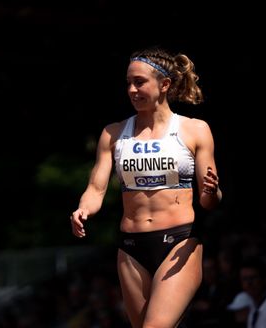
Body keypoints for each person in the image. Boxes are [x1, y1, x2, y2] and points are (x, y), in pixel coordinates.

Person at [70, 46, 222, 328]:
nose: (131, 89)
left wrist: (212, 191)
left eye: (139, 82)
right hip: (131, 248)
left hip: (179, 243)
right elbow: (96, 188)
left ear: (164, 84)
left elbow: (209, 201)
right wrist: (83, 208)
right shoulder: (113, 133)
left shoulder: (194, 129)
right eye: (128, 82)